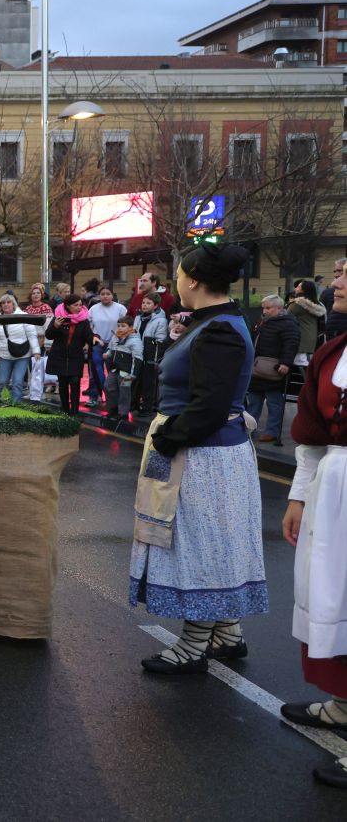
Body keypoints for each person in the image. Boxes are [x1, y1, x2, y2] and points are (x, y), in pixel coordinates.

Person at [129, 243, 265, 676]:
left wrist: (169, 438)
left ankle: (193, 645)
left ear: (193, 281)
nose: (176, 283)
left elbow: (209, 405)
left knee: (201, 545)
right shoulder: (215, 322)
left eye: (178, 276)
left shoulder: (219, 329)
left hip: (204, 456)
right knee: (210, 541)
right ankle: (226, 633)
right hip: (203, 450)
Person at [279, 267, 347, 788]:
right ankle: (344, 706)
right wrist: (298, 496)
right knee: (332, 597)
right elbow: (313, 436)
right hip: (334, 491)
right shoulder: (331, 353)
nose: (338, 280)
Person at [245, 295, 298, 444]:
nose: (264, 311)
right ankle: (249, 428)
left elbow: (291, 344)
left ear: (279, 308)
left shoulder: (288, 324)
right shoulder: (263, 322)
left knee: (274, 402)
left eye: (268, 308)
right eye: (264, 308)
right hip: (258, 368)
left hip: (274, 369)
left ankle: (272, 431)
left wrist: (285, 363)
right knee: (254, 401)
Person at [45, 295, 93, 416]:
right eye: (75, 305)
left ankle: (75, 412)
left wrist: (94, 338)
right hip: (60, 356)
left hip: (75, 357)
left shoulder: (83, 320)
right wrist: (55, 326)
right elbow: (49, 335)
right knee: (63, 384)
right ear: (68, 306)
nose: (79, 307)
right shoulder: (59, 317)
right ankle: (65, 411)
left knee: (75, 382)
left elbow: (89, 335)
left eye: (80, 305)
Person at [0, 294, 40, 403]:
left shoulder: (24, 316)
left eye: (8, 302)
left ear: (13, 304)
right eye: (3, 303)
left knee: (17, 381)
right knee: (2, 382)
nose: (6, 304)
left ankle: (16, 403)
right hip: (4, 355)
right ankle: (3, 402)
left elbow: (32, 335)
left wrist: (36, 351)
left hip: (22, 355)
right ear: (0, 306)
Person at [86, 287, 126, 405]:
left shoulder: (120, 308)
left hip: (114, 344)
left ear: (112, 295)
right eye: (102, 294)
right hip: (98, 343)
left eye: (108, 294)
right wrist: (90, 339)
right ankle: (94, 396)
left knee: (112, 372)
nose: (105, 296)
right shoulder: (93, 309)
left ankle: (112, 398)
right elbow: (88, 326)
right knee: (95, 371)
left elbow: (127, 324)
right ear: (99, 296)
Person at [134, 294, 169, 416]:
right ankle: (134, 403)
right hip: (137, 353)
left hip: (150, 355)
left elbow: (160, 341)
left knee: (148, 383)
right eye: (143, 303)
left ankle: (147, 407)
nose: (144, 305)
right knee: (136, 380)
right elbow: (134, 333)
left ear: (156, 305)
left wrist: (156, 359)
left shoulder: (161, 321)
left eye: (148, 303)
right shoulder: (138, 318)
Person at [103, 315, 142, 420]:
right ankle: (113, 410)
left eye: (123, 326)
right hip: (114, 369)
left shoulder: (135, 340)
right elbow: (110, 348)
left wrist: (133, 374)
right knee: (108, 387)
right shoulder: (115, 337)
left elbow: (137, 358)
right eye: (118, 325)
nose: (120, 328)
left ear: (130, 327)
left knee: (125, 391)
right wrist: (107, 353)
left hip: (127, 372)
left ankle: (123, 413)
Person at [288, 279, 326, 367]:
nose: (295, 288)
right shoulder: (317, 304)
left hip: (300, 339)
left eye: (298, 287)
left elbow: (286, 317)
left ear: (304, 290)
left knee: (298, 366)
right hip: (311, 338)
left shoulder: (297, 304)